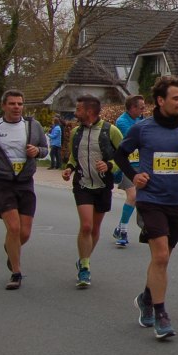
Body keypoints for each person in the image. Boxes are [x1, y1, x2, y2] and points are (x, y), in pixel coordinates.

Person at [114, 75, 178, 340]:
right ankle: (161, 313)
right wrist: (134, 176)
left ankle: (146, 298)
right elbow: (120, 154)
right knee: (161, 256)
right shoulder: (143, 129)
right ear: (160, 100)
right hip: (150, 200)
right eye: (176, 98)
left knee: (162, 260)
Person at [0, 90, 49, 290]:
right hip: (1, 181)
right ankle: (16, 272)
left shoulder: (33, 126)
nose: (17, 107)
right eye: (12, 104)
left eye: (20, 104)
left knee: (24, 232)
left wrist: (37, 151)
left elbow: (44, 149)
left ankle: (11, 248)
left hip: (25, 181)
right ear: (3, 106)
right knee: (13, 228)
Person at [61, 95, 123, 287]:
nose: (75, 113)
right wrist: (69, 168)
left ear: (89, 111)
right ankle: (85, 267)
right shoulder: (76, 132)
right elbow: (74, 155)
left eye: (78, 109)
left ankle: (84, 258)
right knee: (86, 226)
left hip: (103, 185)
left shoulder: (110, 131)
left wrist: (110, 165)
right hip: (83, 184)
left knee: (95, 228)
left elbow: (124, 157)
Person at [111, 94, 147, 248]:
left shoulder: (141, 120)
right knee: (132, 195)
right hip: (127, 164)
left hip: (142, 164)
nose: (144, 110)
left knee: (141, 198)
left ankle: (120, 227)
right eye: (141, 107)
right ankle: (124, 231)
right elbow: (137, 137)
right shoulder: (122, 122)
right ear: (132, 108)